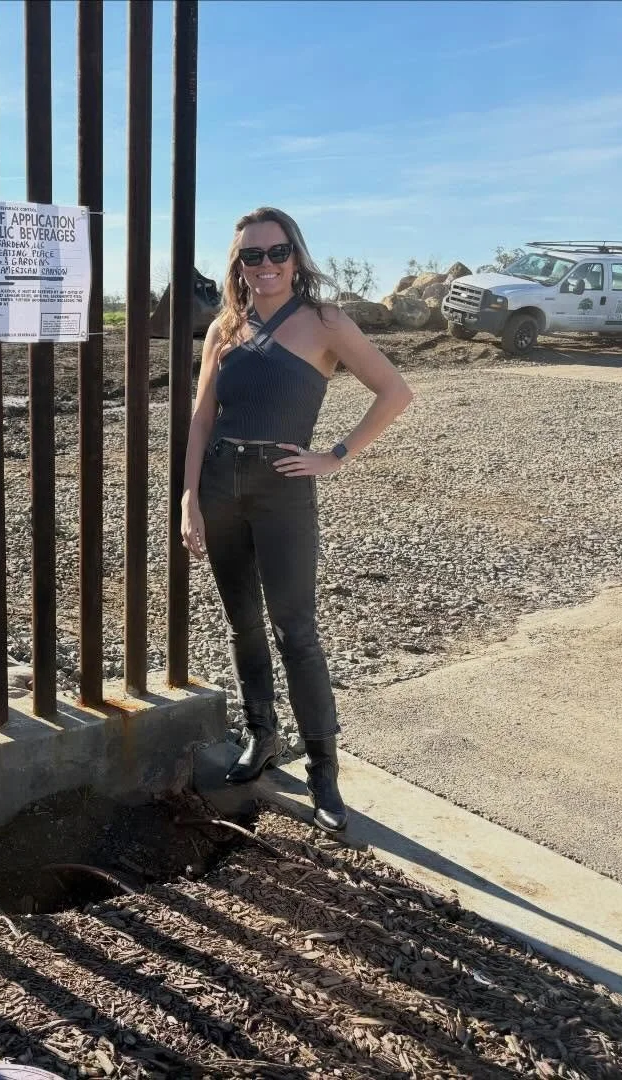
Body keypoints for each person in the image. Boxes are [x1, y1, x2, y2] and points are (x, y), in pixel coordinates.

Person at [180, 207, 414, 833]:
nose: (265, 266)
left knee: (296, 633)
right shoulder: (224, 330)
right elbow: (203, 419)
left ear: (296, 253)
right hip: (222, 485)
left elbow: (395, 392)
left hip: (284, 491)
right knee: (242, 624)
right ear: (238, 266)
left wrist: (335, 456)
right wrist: (189, 498)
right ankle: (261, 738)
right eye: (251, 256)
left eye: (275, 251)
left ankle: (323, 773)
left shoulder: (325, 322)